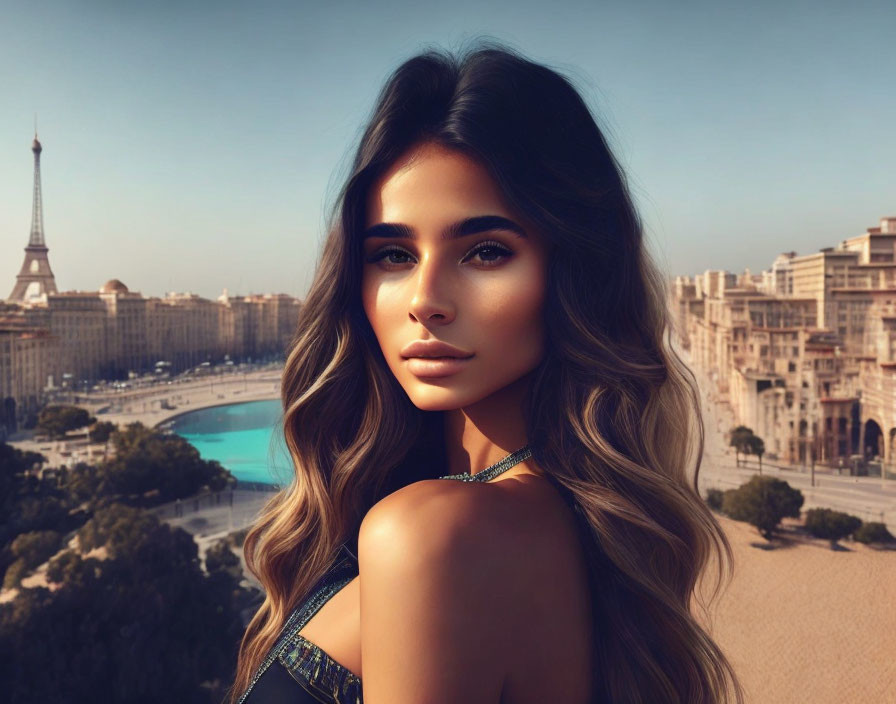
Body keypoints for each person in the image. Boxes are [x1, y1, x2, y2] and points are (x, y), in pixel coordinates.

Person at [230, 40, 744, 704]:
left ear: (574, 272)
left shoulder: (437, 537)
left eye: (486, 252)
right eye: (392, 254)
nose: (425, 299)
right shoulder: (567, 524)